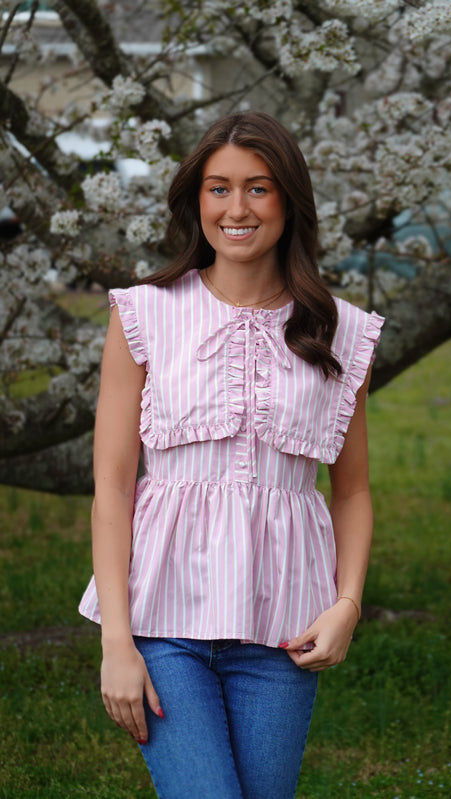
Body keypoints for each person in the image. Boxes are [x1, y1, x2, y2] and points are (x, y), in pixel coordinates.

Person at [79, 110, 384, 799]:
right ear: (197, 200)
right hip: (162, 623)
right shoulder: (144, 313)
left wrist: (347, 603)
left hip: (284, 633)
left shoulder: (341, 331)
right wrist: (116, 643)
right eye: (218, 188)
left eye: (258, 187)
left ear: (289, 200)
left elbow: (353, 489)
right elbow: (114, 486)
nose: (235, 208)